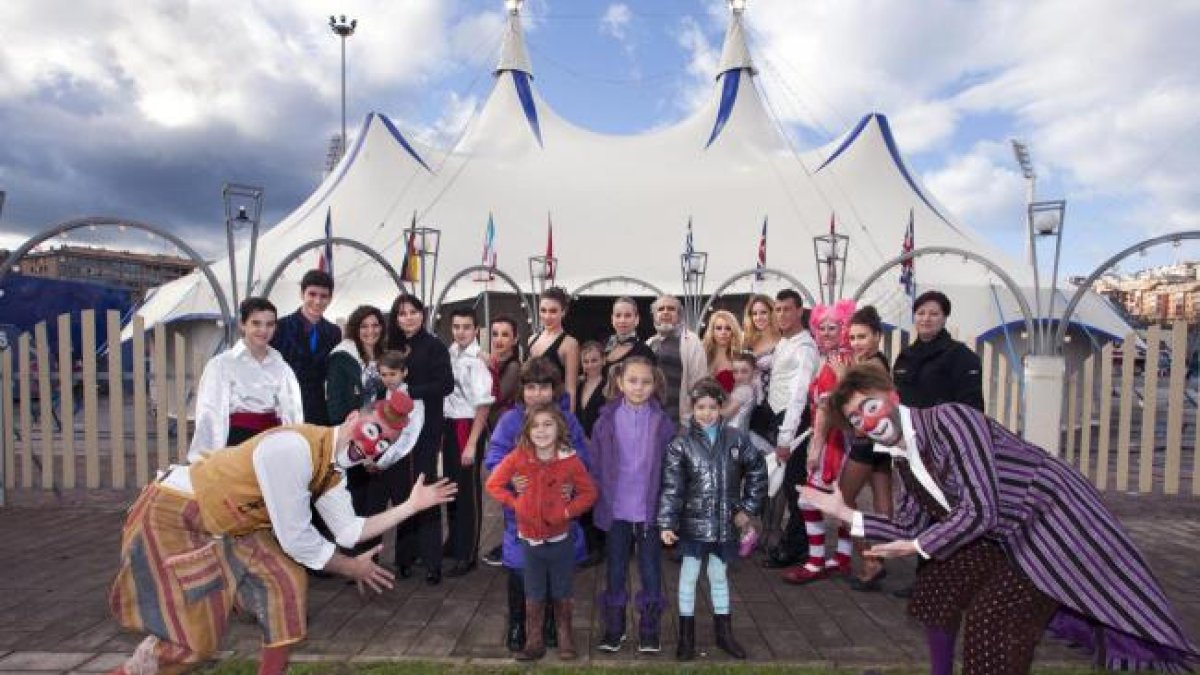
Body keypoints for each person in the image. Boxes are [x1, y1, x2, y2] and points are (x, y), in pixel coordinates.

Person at [803, 365, 1199, 674]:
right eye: (855, 419)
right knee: (962, 605)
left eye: (869, 407)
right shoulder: (906, 461)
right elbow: (908, 524)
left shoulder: (950, 420)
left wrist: (920, 546)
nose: (867, 421)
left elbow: (980, 509)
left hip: (1053, 523)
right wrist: (844, 512)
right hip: (1010, 537)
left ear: (892, 396)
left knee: (994, 621)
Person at [109, 389, 456, 675]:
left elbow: (349, 531)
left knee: (284, 582)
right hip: (176, 514)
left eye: (382, 444)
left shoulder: (332, 472)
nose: (371, 445)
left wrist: (410, 506)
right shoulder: (296, 449)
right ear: (353, 418)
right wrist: (351, 567)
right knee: (190, 643)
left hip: (234, 524)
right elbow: (296, 538)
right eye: (371, 431)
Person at [484, 357, 591, 654]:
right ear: (522, 390)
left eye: (544, 388)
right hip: (523, 516)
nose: (537, 394)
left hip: (559, 517)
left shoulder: (567, 421)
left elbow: (583, 458)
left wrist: (572, 483)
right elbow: (494, 459)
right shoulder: (509, 421)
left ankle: (552, 625)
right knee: (520, 571)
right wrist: (510, 482)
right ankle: (519, 624)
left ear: (554, 389)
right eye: (530, 388)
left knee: (556, 572)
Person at [659, 378, 767, 661]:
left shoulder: (736, 439)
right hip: (693, 524)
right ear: (691, 408)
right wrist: (667, 523)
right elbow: (672, 487)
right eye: (700, 407)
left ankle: (724, 634)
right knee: (688, 576)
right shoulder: (679, 444)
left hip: (725, 523)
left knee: (719, 577)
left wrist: (748, 507)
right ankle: (686, 637)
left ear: (721, 407)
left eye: (712, 407)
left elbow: (757, 469)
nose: (706, 413)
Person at [591, 356, 677, 654]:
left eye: (646, 382)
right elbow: (595, 466)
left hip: (649, 512)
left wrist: (668, 512)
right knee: (615, 568)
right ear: (619, 383)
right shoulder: (605, 421)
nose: (639, 388)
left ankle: (650, 630)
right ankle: (614, 628)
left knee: (651, 568)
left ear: (655, 385)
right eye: (632, 381)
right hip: (616, 511)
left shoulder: (664, 424)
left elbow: (671, 470)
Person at [783, 299, 856, 585]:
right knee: (840, 501)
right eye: (822, 327)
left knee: (809, 500)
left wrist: (816, 446)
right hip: (829, 439)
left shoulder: (842, 361)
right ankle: (840, 557)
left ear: (844, 328)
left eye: (833, 327)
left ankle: (818, 561)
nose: (826, 332)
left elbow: (834, 406)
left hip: (836, 441)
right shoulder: (831, 358)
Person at [385, 294, 454, 585]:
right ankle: (403, 558)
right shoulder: (392, 347)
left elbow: (446, 385)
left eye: (413, 312)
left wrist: (411, 392)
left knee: (425, 489)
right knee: (401, 492)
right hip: (397, 430)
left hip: (426, 430)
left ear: (422, 315)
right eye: (402, 313)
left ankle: (432, 561)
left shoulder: (435, 346)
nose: (408, 318)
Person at [189, 297, 303, 462]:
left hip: (274, 444)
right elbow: (209, 414)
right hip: (238, 443)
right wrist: (207, 459)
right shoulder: (221, 364)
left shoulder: (282, 367)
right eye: (256, 323)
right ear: (242, 325)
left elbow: (293, 414)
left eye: (270, 324)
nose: (263, 330)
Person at [761, 289, 820, 570]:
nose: (782, 314)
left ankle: (798, 547)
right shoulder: (785, 342)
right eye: (778, 309)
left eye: (787, 309)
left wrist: (786, 437)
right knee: (786, 483)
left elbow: (799, 394)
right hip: (778, 417)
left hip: (793, 421)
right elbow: (770, 365)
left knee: (795, 488)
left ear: (800, 311)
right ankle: (793, 543)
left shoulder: (806, 346)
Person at [837, 305, 893, 592]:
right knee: (883, 503)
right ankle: (881, 558)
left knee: (841, 501)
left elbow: (855, 408)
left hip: (866, 441)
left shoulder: (868, 367)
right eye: (853, 337)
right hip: (883, 442)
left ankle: (871, 561)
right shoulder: (880, 362)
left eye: (862, 337)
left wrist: (839, 378)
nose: (856, 342)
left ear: (877, 337)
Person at [325, 304, 388, 555]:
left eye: (375, 325)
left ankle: (372, 554)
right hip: (351, 438)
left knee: (375, 502)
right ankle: (352, 556)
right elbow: (335, 402)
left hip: (381, 437)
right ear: (355, 328)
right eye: (364, 326)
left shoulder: (386, 355)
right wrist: (352, 433)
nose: (370, 331)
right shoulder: (342, 357)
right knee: (352, 498)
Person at [442, 308, 494, 577]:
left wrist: (472, 443)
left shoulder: (478, 361)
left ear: (476, 331)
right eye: (456, 326)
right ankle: (453, 542)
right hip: (450, 425)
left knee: (467, 493)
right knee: (450, 487)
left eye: (466, 327)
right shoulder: (451, 352)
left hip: (467, 426)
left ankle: (468, 553)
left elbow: (483, 406)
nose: (461, 331)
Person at [270, 269, 341, 426]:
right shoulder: (280, 327)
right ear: (302, 294)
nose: (317, 301)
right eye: (312, 294)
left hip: (319, 412)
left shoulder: (334, 332)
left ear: (330, 298)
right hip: (285, 410)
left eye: (323, 296)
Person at [480, 314, 523, 570]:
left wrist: (488, 368)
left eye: (505, 334)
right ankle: (510, 543)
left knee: (512, 492)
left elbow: (495, 397)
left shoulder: (514, 367)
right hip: (496, 434)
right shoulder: (495, 363)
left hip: (509, 437)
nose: (499, 339)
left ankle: (513, 545)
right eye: (495, 334)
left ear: (515, 338)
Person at [892, 290, 984, 411]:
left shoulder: (961, 355)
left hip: (945, 427)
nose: (926, 318)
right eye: (920, 313)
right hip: (909, 427)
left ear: (945, 318)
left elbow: (972, 407)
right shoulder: (905, 356)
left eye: (934, 314)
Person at [645, 295, 707, 424]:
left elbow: (699, 383)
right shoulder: (650, 343)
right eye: (661, 309)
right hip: (650, 419)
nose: (665, 312)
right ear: (654, 315)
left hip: (678, 420)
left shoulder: (691, 341)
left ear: (679, 315)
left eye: (671, 309)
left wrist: (690, 420)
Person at [528, 287, 580, 412]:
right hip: (531, 408)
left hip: (555, 410)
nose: (547, 316)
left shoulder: (570, 344)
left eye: (553, 311)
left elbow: (571, 390)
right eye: (543, 310)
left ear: (563, 312)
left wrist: (569, 421)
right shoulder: (532, 339)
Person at [604, 296, 657, 378]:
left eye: (628, 315)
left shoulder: (644, 351)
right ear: (612, 319)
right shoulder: (604, 344)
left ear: (637, 319)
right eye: (618, 315)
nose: (622, 320)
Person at [701, 309, 743, 393]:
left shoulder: (740, 358)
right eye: (718, 328)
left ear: (733, 331)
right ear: (712, 331)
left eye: (728, 328)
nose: (723, 332)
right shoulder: (701, 355)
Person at [576, 341, 607, 437]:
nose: (590, 365)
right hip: (577, 443)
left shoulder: (609, 387)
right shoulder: (577, 385)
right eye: (585, 361)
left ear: (603, 360)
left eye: (594, 360)